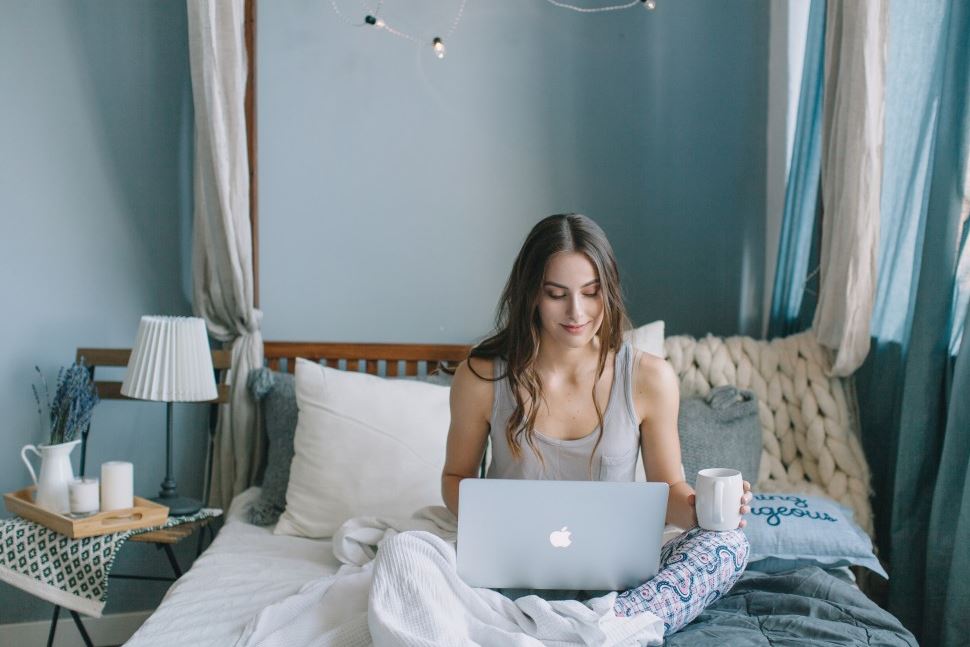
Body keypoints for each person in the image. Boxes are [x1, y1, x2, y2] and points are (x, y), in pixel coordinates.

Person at [441, 213, 753, 635]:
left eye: (591, 293)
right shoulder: (481, 378)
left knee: (730, 545)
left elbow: (668, 491)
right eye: (556, 294)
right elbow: (456, 476)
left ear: (609, 290)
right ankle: (589, 632)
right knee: (405, 554)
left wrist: (703, 511)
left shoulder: (649, 378)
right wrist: (492, 524)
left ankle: (605, 626)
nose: (577, 312)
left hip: (618, 586)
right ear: (531, 293)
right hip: (508, 572)